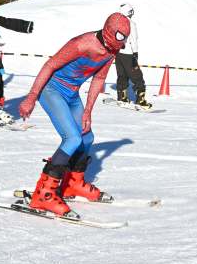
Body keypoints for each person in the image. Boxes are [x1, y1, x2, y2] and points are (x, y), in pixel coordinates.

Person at [18, 12, 130, 216]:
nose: (119, 47)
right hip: (52, 90)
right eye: (118, 41)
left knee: (87, 138)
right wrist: (31, 97)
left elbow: (98, 79)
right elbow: (50, 65)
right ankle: (43, 195)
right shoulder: (82, 44)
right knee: (72, 139)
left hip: (72, 94)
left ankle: (72, 184)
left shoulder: (111, 50)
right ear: (108, 33)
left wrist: (88, 112)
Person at [114, 3, 151, 109]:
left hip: (118, 54)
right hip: (128, 54)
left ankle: (122, 97)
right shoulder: (131, 24)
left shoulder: (116, 23)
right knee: (137, 77)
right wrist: (135, 54)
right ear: (129, 12)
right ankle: (140, 100)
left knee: (122, 75)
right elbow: (133, 40)